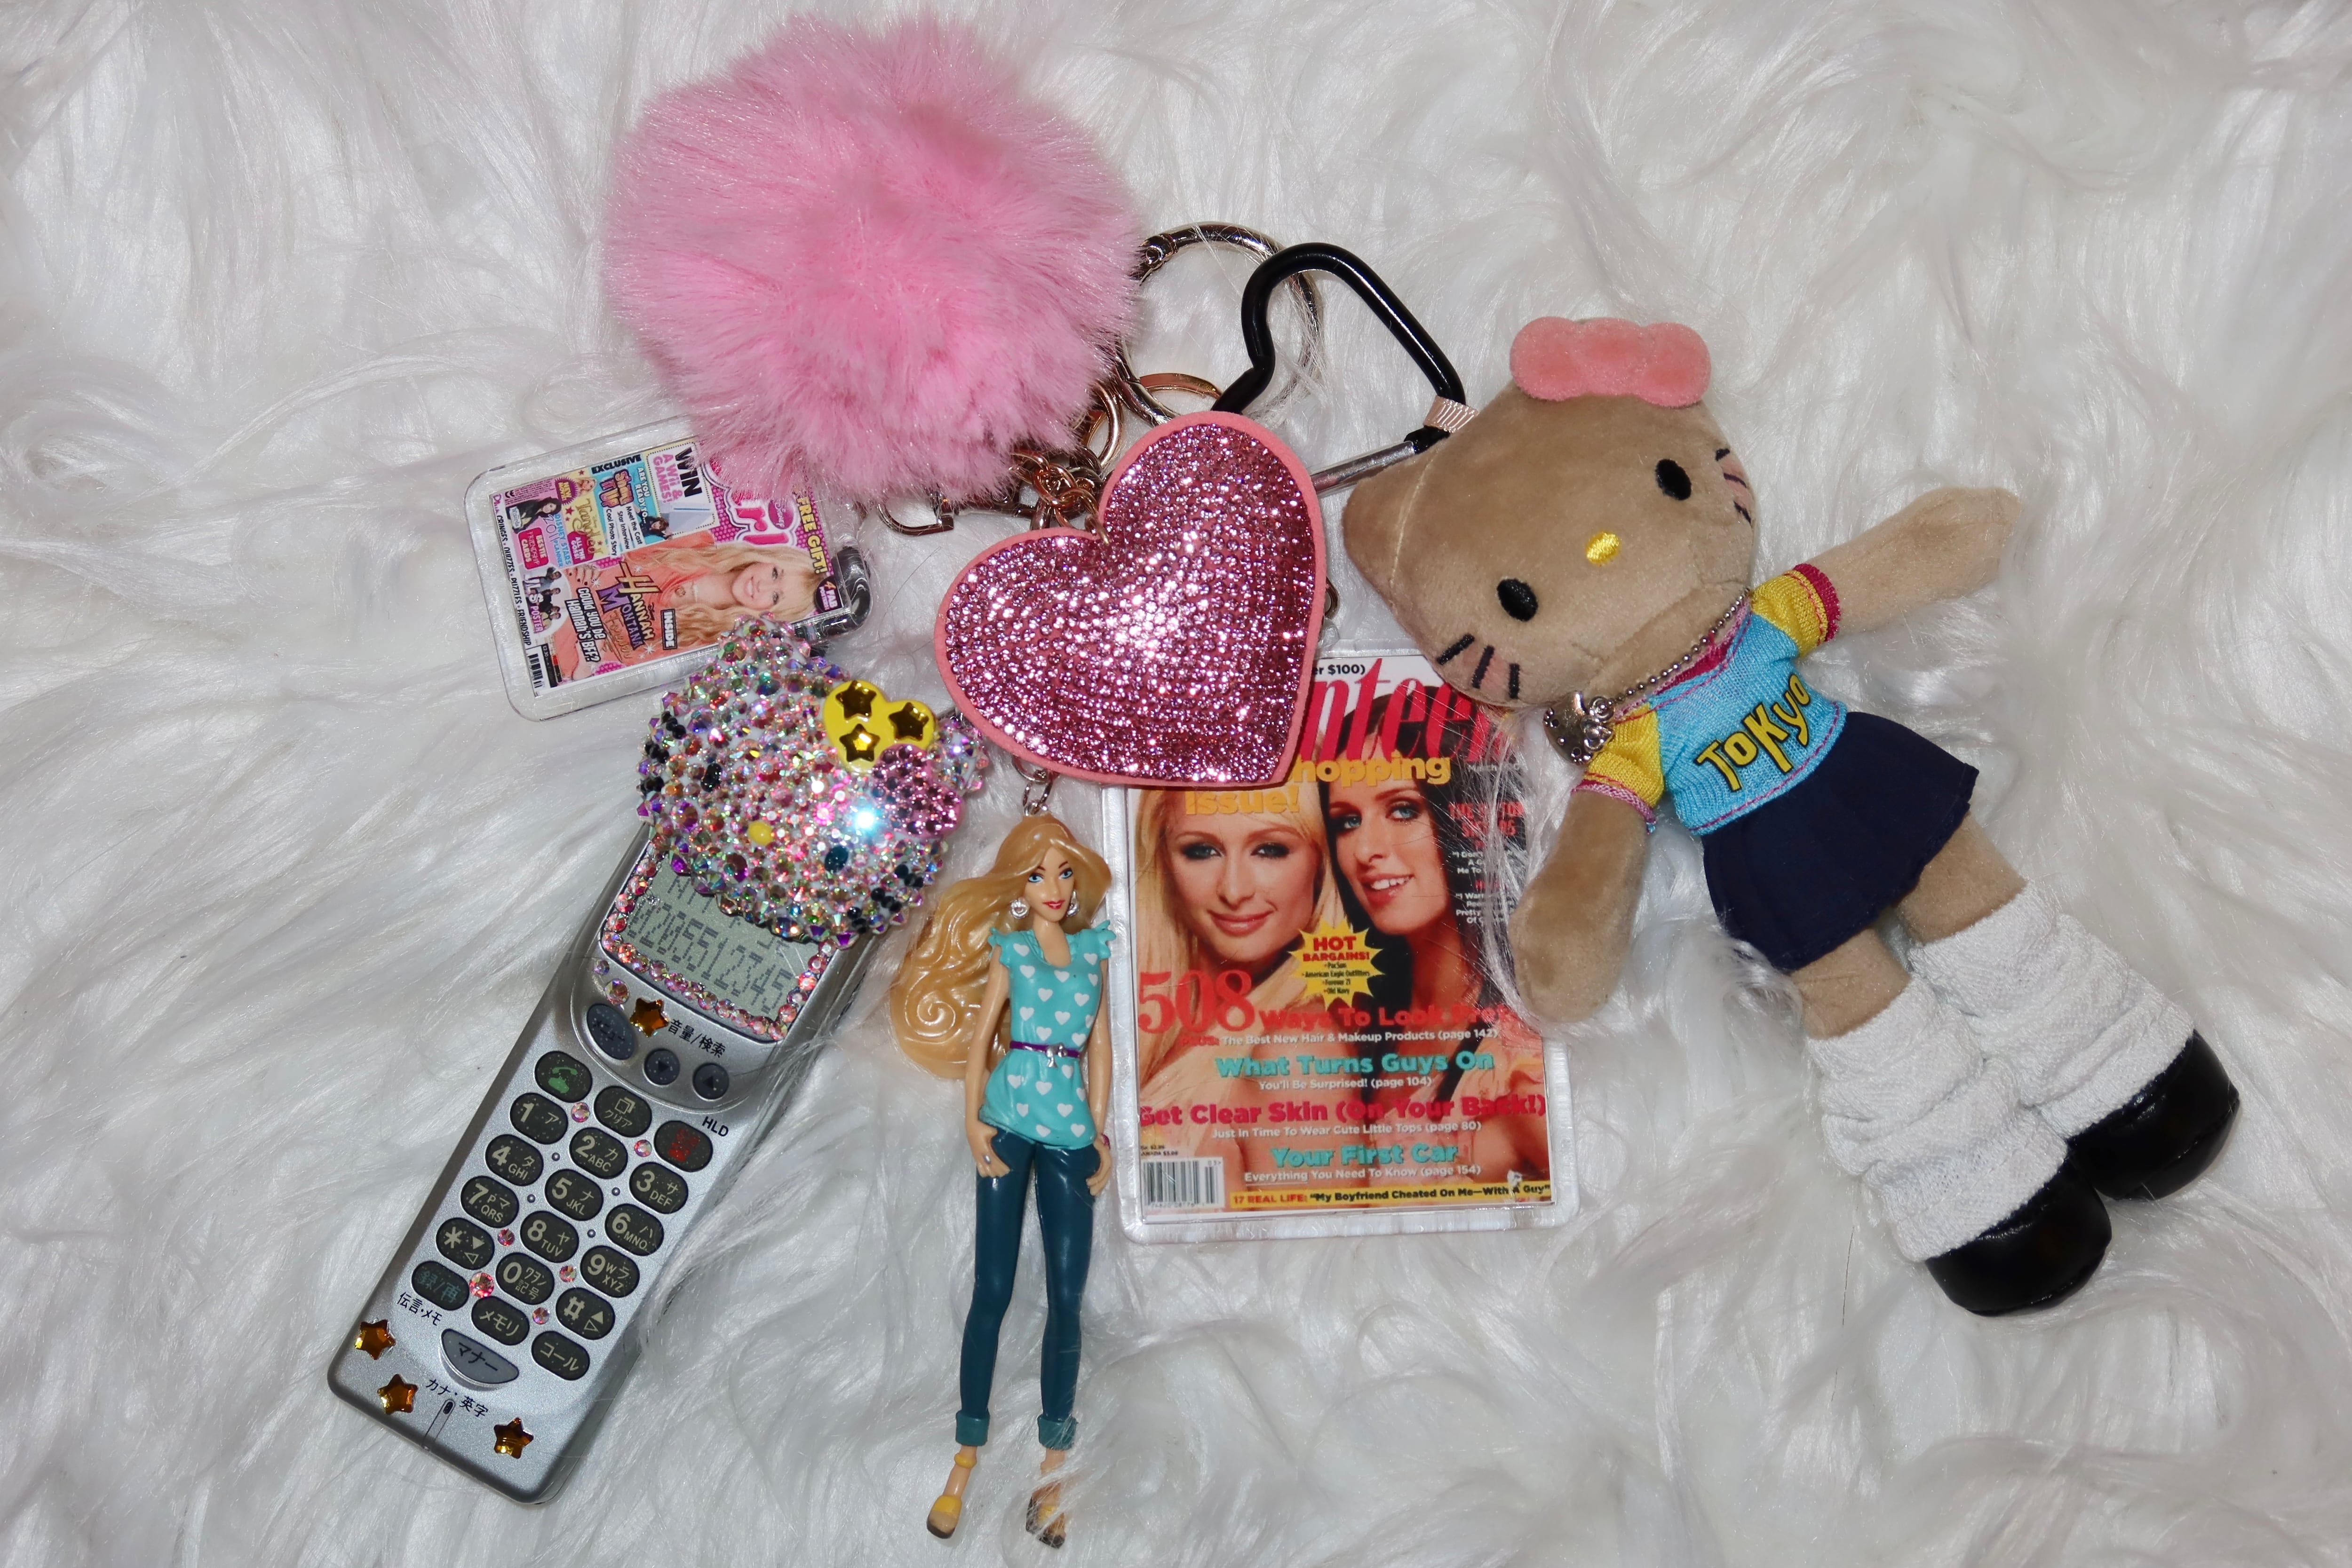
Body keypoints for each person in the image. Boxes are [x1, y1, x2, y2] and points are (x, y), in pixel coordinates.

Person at [890, 815, 1114, 1546]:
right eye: (1038, 873)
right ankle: (964, 1455)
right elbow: (985, 1034)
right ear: (1019, 885)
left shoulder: (1094, 951)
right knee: (993, 1287)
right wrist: (971, 1121)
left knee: (1067, 1295)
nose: (1054, 886)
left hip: (1070, 1127)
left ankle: (1053, 1462)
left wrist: (1100, 1131)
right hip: (1008, 1116)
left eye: (1065, 872)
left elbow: (1101, 1050)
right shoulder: (1011, 950)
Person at [1321, 714, 1550, 1192]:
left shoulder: (1520, 1061)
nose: (1365, 850)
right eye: (1347, 821)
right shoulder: (1351, 1020)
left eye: (1403, 810)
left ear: (1466, 820)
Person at [1130, 787, 1365, 1199]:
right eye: (1202, 851)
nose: (1234, 890)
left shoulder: (1296, 1050)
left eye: (1271, 850)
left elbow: (1321, 1241)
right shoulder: (1148, 1017)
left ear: (1321, 862)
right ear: (1164, 859)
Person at [543, 535, 821, 677]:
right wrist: (587, 561)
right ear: (767, 558)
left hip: (560, 655)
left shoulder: (709, 643)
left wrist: (585, 668)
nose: (762, 586)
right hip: (551, 587)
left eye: (776, 597)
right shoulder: (697, 543)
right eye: (775, 574)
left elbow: (627, 664)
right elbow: (608, 542)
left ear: (772, 614)